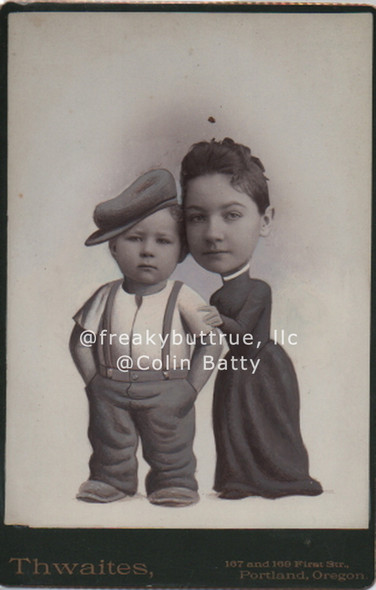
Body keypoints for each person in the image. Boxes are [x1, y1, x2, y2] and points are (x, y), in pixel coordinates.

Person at [180, 138, 323, 499]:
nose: (212, 234)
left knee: (271, 428)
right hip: (235, 372)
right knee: (234, 427)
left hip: (264, 369)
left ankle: (286, 478)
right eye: (197, 217)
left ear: (265, 220)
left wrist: (218, 321)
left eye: (231, 215)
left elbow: (245, 334)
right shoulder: (216, 297)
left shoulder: (259, 290)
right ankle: (238, 479)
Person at [70, 168, 221, 507]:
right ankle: (111, 480)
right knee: (110, 440)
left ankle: (175, 481)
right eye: (135, 239)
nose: (147, 251)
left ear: (181, 251)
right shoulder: (104, 296)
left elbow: (212, 342)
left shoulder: (183, 296)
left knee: (171, 442)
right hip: (110, 387)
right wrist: (93, 380)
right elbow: (80, 340)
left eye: (163, 241)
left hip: (169, 388)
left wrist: (191, 386)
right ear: (113, 247)